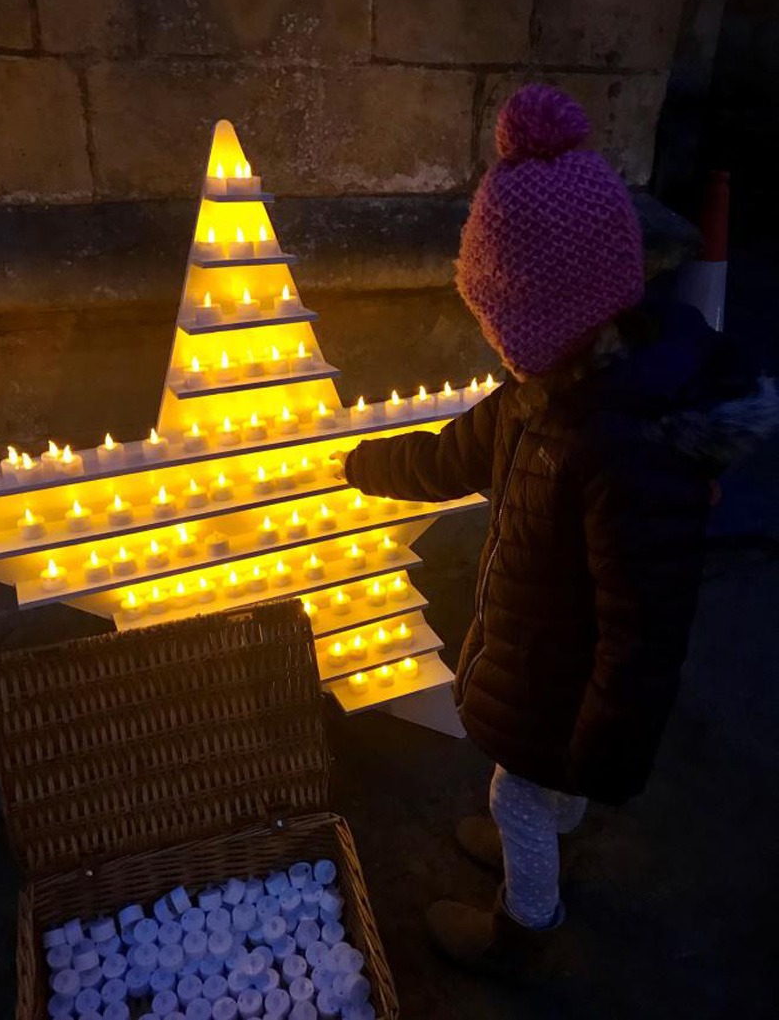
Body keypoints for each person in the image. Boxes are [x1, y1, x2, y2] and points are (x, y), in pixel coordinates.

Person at [331, 84, 779, 980]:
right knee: (542, 791)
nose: (495, 347)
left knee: (519, 793)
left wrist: (604, 747)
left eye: (499, 322)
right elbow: (453, 455)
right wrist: (361, 464)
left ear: (542, 312)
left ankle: (523, 926)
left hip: (565, 683)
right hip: (547, 664)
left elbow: (641, 626)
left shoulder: (623, 446)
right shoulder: (544, 394)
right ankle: (545, 815)